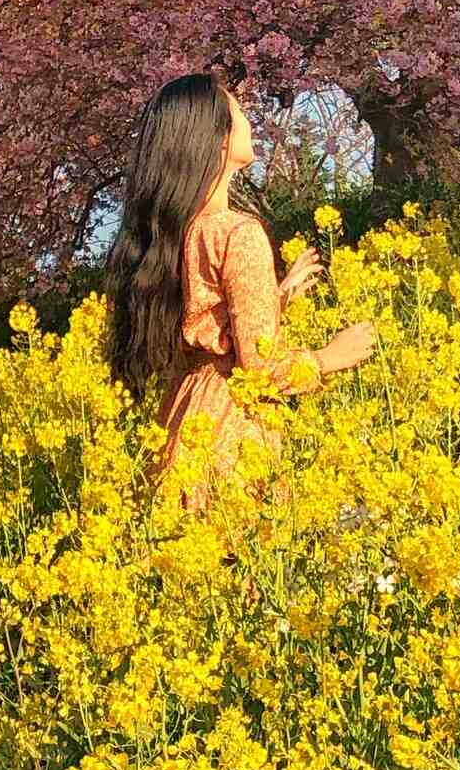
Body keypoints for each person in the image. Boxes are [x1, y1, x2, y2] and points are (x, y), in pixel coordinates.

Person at [103, 71, 377, 501]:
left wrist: (273, 297)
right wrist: (329, 357)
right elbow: (259, 371)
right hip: (233, 434)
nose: (249, 120)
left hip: (183, 422)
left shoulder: (173, 234)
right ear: (217, 137)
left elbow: (203, 322)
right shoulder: (237, 233)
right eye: (238, 110)